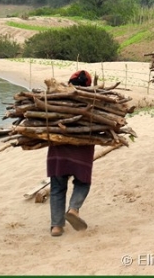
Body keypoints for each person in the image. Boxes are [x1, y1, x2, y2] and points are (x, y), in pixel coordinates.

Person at [48, 70, 95, 237]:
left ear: (69, 83)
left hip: (59, 152)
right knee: (83, 182)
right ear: (88, 86)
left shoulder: (55, 100)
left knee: (57, 187)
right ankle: (74, 209)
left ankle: (56, 226)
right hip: (82, 152)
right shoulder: (94, 102)